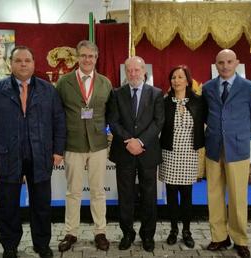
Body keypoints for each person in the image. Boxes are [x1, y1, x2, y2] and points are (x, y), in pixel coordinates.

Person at [0, 46, 66, 258]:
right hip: (6, 155)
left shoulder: (48, 90)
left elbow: (59, 122)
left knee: (42, 205)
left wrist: (57, 150)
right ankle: (9, 246)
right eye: (18, 60)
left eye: (27, 60)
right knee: (7, 205)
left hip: (40, 155)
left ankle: (42, 244)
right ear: (11, 64)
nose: (23, 64)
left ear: (34, 63)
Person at [202, 49, 251, 258]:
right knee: (214, 194)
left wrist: (245, 134)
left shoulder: (249, 88)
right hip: (213, 148)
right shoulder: (208, 88)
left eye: (229, 61)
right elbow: (204, 114)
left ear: (236, 63)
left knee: (238, 197)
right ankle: (219, 237)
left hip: (238, 149)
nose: (225, 66)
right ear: (215, 64)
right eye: (221, 62)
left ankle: (240, 239)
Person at [55, 40, 112, 252]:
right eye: (84, 55)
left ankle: (100, 232)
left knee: (98, 191)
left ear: (96, 58)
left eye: (92, 56)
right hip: (73, 143)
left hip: (97, 144)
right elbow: (57, 115)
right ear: (77, 58)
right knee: (73, 192)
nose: (88, 59)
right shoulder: (64, 82)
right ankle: (71, 232)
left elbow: (110, 113)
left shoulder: (105, 83)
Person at [108, 56, 165, 252]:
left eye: (136, 70)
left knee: (149, 195)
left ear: (144, 71)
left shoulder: (156, 94)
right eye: (129, 70)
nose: (132, 74)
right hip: (124, 152)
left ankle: (147, 235)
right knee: (125, 195)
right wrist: (129, 142)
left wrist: (140, 142)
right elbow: (113, 122)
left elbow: (159, 122)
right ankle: (127, 233)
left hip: (147, 152)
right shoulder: (116, 94)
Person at [159, 65, 205, 249]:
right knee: (171, 194)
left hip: (189, 153)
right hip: (169, 152)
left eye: (180, 77)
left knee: (186, 195)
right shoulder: (164, 102)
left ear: (188, 80)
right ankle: (173, 230)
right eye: (173, 77)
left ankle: (187, 231)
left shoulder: (198, 101)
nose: (176, 81)